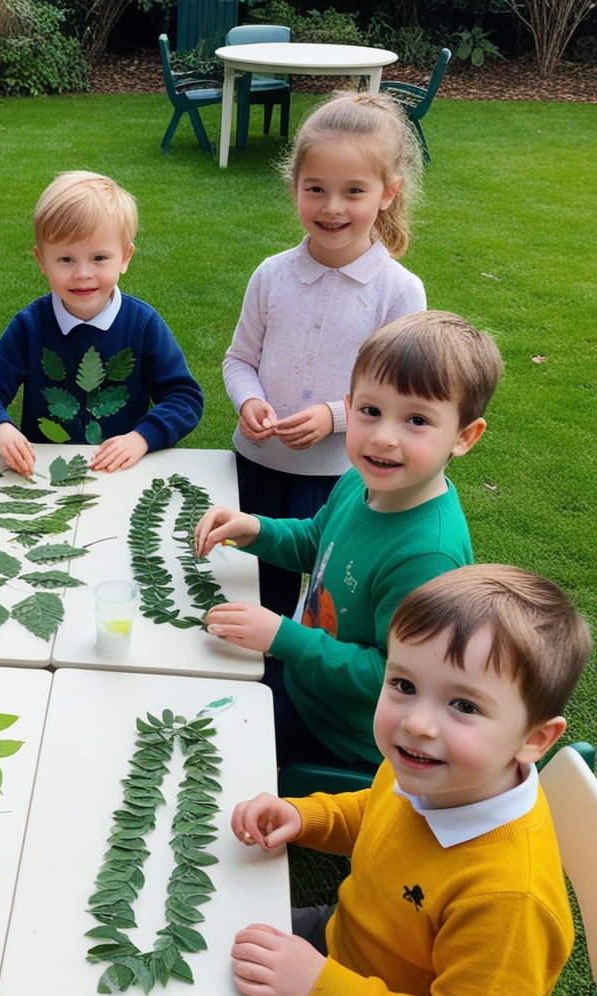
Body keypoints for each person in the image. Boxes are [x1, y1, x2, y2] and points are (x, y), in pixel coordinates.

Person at [163, 564, 592, 996]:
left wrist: (321, 987)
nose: (417, 723)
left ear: (535, 739)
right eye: (404, 685)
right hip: (351, 944)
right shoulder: (431, 771)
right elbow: (380, 812)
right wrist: (305, 816)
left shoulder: (509, 898)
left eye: (463, 705)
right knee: (206, 937)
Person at [196, 311, 501, 768]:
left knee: (206, 741)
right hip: (305, 677)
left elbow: (396, 677)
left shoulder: (427, 555)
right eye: (371, 411)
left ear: (464, 437)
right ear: (349, 403)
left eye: (416, 420)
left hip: (339, 728)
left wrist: (284, 637)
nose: (382, 438)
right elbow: (318, 540)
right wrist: (254, 528)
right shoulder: (361, 480)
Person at [224, 90, 426, 618]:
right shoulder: (271, 275)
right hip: (256, 462)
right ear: (294, 188)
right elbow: (238, 360)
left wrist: (333, 417)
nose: (332, 207)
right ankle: (255, 677)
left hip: (338, 478)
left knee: (325, 599)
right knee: (248, 583)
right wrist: (248, 402)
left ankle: (300, 676)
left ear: (388, 192)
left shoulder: (400, 292)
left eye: (353, 191)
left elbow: (401, 398)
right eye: (316, 189)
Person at [0, 169, 204, 476]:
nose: (83, 274)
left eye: (99, 258)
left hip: (123, 475)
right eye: (66, 260)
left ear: (125, 257)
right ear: (41, 261)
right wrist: (0, 429)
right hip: (45, 477)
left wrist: (140, 438)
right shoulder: (29, 327)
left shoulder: (143, 325)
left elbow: (184, 398)